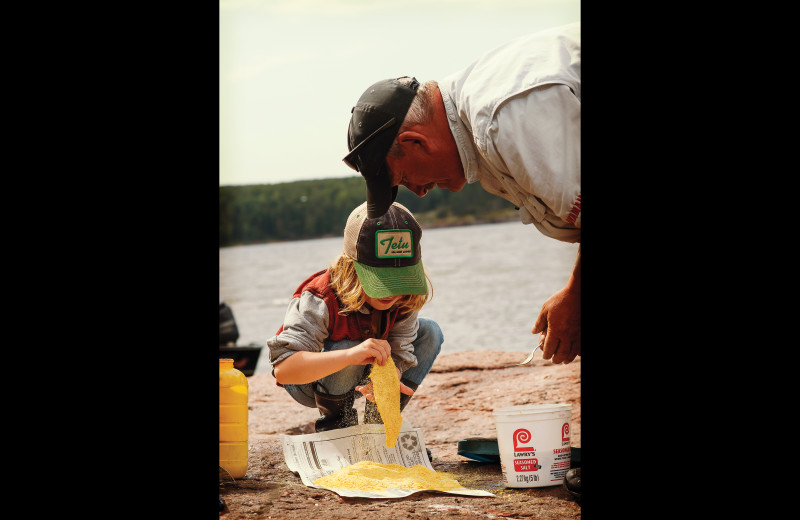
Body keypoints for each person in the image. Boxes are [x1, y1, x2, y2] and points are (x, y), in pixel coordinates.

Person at [341, 21, 581, 497]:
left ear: (414, 142)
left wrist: (576, 295)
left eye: (405, 178)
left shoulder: (506, 119)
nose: (419, 191)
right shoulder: (481, 141)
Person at [267, 201, 443, 433]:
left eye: (400, 279)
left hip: (362, 379)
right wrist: (350, 355)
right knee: (351, 344)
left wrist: (390, 378)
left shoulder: (405, 295)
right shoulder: (320, 296)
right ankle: (336, 427)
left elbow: (401, 352)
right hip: (309, 381)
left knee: (430, 331)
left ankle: (379, 428)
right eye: (381, 281)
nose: (392, 292)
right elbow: (284, 369)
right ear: (352, 266)